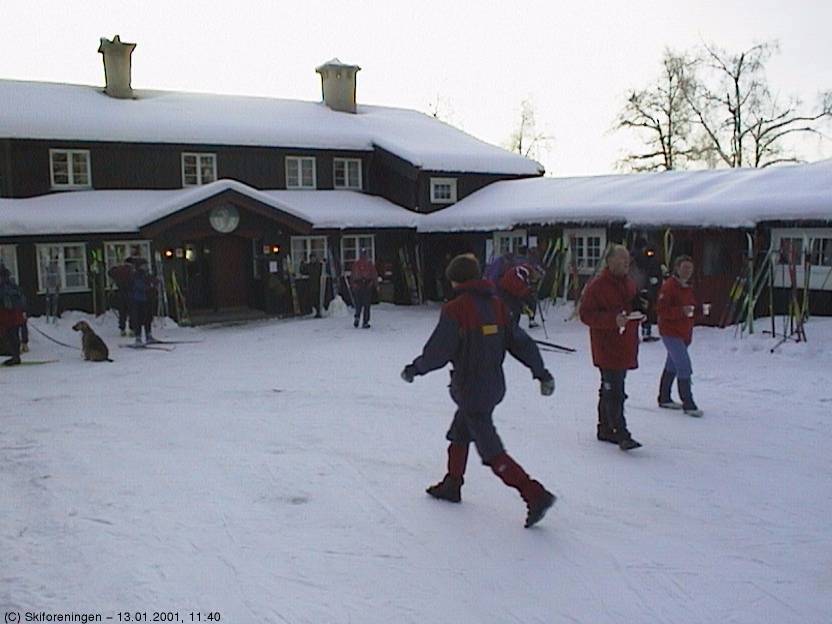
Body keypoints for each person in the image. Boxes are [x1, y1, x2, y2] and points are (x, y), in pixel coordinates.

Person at [401, 254, 557, 528]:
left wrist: (415, 368)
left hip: (470, 389)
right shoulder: (497, 305)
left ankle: (534, 494)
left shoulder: (455, 310)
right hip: (493, 386)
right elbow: (521, 342)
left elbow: (438, 351)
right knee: (460, 432)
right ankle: (452, 483)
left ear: (455, 280)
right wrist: (540, 371)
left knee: (491, 450)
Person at [579, 244, 643, 450]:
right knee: (614, 389)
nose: (626, 264)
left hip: (625, 344)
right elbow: (586, 315)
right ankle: (620, 432)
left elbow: (632, 306)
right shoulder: (597, 286)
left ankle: (604, 427)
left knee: (610, 388)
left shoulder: (630, 284)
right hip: (606, 347)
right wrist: (611, 320)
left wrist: (641, 309)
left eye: (627, 260)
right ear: (609, 261)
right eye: (621, 260)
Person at [657, 255, 703, 417]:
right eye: (684, 268)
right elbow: (661, 310)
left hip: (684, 333)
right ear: (677, 268)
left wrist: (700, 310)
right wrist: (681, 311)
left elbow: (691, 309)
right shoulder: (669, 286)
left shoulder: (687, 287)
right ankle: (688, 402)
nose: (687, 271)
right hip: (671, 332)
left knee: (672, 364)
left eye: (690, 268)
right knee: (684, 365)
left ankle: (664, 397)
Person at [629, 238, 663, 342]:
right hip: (643, 286)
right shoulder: (645, 258)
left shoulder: (630, 257)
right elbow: (651, 271)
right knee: (646, 311)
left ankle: (634, 334)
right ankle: (645, 332)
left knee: (634, 312)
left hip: (633, 287)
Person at [0, 265, 26, 366]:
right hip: (15, 314)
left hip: (7, 315)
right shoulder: (12, 284)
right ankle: (16, 356)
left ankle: (15, 357)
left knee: (10, 335)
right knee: (13, 335)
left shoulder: (4, 286)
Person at [128, 259, 158, 345]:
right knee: (138, 319)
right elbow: (138, 286)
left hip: (147, 299)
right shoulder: (136, 274)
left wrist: (155, 282)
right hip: (138, 300)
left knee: (148, 318)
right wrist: (149, 286)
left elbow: (152, 280)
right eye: (144, 265)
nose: (146, 267)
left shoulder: (146, 274)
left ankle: (148, 335)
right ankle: (138, 337)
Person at [349, 250, 378, 328]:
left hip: (361, 285)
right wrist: (376, 285)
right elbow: (374, 274)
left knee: (360, 304)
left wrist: (353, 285)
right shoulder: (367, 264)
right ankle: (363, 321)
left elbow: (353, 276)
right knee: (365, 305)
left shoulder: (358, 264)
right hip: (364, 285)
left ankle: (359, 318)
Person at [108, 258, 134, 336]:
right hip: (130, 293)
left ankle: (122, 329)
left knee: (122, 312)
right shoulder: (132, 271)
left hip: (120, 292)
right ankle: (132, 329)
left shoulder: (118, 270)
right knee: (132, 312)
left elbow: (110, 272)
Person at [300, 253, 324, 318]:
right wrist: (301, 264)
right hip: (311, 285)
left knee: (318, 299)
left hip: (319, 284)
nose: (313, 259)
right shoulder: (309, 266)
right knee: (313, 299)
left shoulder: (319, 265)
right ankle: (315, 311)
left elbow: (324, 270)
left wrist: (325, 263)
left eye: (314, 258)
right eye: (311, 258)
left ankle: (319, 312)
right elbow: (303, 271)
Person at [43, 257, 61, 324]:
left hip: (55, 288)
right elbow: (46, 279)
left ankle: (54, 317)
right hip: (49, 288)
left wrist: (58, 285)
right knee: (49, 304)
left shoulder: (57, 269)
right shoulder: (48, 270)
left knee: (54, 303)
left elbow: (58, 279)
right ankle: (49, 317)